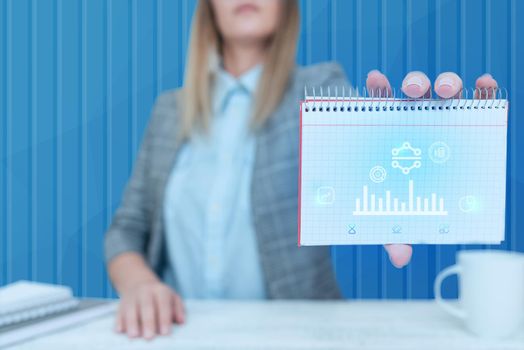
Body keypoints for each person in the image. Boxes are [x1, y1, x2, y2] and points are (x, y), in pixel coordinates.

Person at [104, 0, 499, 340]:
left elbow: (371, 153)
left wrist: (424, 129)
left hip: (295, 335)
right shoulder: (169, 111)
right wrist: (138, 283)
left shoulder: (320, 92)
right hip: (180, 333)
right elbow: (127, 228)